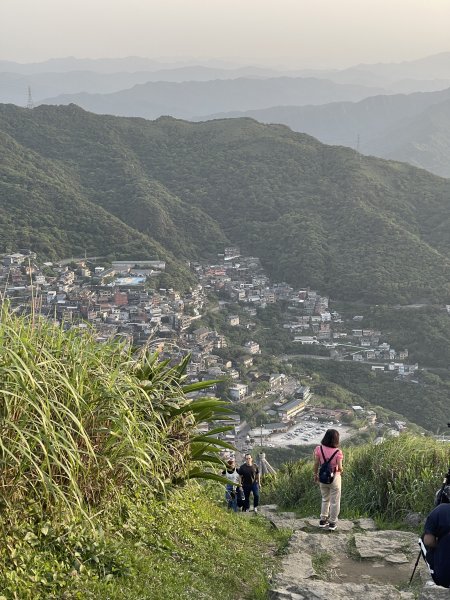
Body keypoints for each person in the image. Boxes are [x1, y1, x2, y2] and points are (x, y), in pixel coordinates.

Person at [313, 428, 344, 531]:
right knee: (335, 501)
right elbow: (340, 467)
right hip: (335, 477)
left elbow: (316, 463)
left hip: (323, 477)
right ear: (336, 439)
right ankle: (332, 523)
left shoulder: (319, 449)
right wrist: (341, 470)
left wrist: (315, 474)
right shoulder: (338, 452)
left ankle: (322, 520)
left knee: (325, 499)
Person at [422, 487, 450, 588]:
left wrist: (440, 544)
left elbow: (428, 541)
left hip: (444, 576)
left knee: (422, 540)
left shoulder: (439, 510)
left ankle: (433, 575)